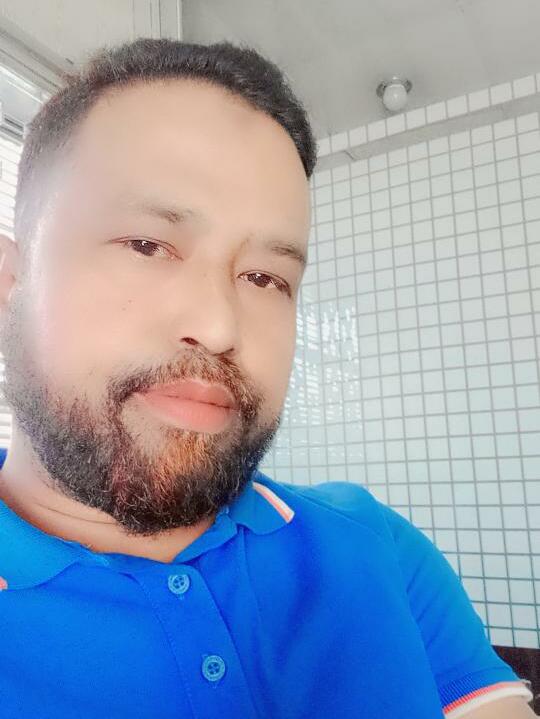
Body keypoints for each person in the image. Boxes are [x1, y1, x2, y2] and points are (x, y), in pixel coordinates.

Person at [0, 37, 534, 719]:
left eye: (264, 277)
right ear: (11, 285)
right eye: (147, 245)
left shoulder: (374, 545)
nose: (219, 324)